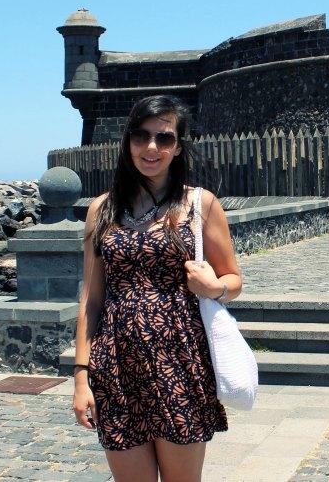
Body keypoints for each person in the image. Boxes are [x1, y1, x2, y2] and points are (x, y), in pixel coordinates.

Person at [71, 95, 242, 482]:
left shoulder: (200, 205)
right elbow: (91, 298)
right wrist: (81, 377)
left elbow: (234, 280)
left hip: (180, 362)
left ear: (178, 146)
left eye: (164, 139)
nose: (151, 148)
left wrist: (214, 287)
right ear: (128, 142)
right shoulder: (102, 208)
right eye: (141, 136)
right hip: (115, 365)